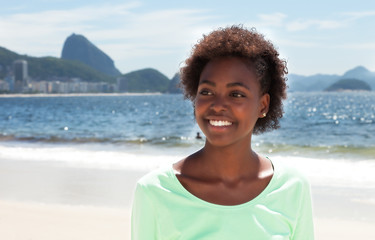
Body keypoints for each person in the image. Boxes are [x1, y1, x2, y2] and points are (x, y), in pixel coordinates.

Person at [131, 25, 314, 239]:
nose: (218, 105)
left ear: (263, 105)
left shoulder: (292, 188)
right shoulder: (154, 191)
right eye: (207, 92)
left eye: (236, 94)